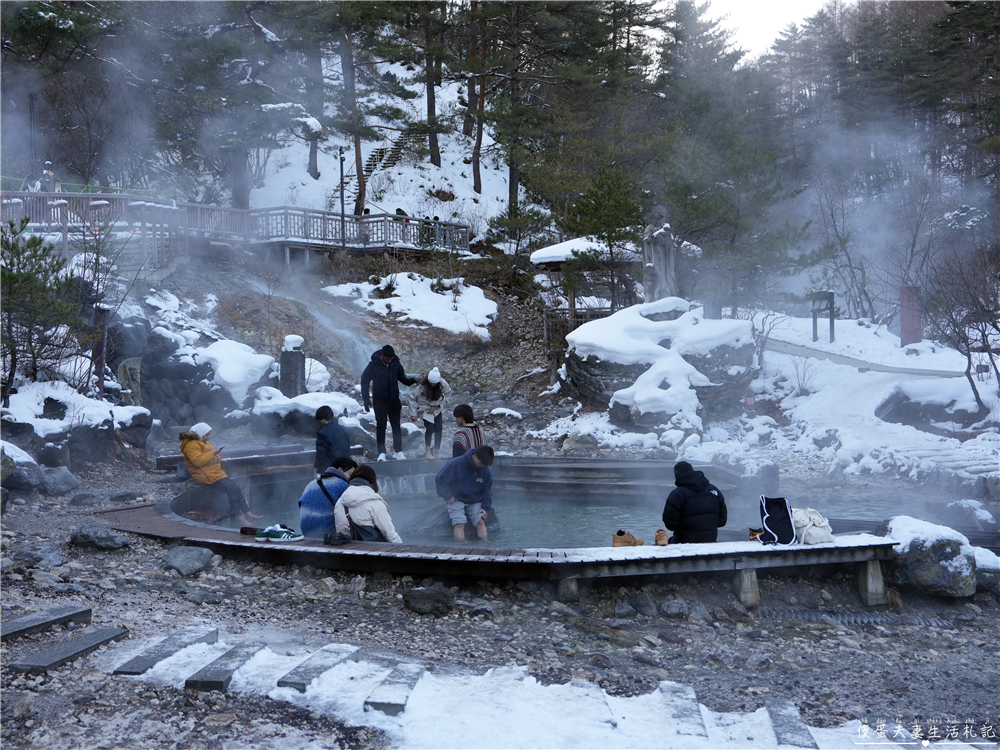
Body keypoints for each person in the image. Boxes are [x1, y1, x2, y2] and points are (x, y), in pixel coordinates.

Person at [179, 422, 262, 527]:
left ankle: (248, 514)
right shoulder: (191, 445)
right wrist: (212, 454)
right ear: (200, 433)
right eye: (207, 435)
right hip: (204, 475)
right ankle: (239, 518)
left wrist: (214, 455)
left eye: (209, 435)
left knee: (236, 488)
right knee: (231, 490)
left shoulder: (202, 442)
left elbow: (217, 458)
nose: (209, 437)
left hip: (213, 472)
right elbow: (198, 462)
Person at [361, 344, 416, 461]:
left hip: (394, 400)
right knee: (381, 426)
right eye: (387, 359)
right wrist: (366, 398)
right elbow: (364, 380)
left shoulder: (396, 363)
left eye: (391, 359)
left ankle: (398, 451)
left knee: (396, 426)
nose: (389, 361)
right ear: (382, 355)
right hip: (379, 401)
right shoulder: (373, 365)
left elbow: (402, 377)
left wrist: (410, 381)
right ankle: (381, 453)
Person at [435, 445, 494, 541]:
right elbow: (439, 479)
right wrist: (447, 496)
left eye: (485, 465)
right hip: (457, 499)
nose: (482, 466)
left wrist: (485, 508)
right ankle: (461, 547)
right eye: (481, 463)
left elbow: (487, 490)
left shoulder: (486, 470)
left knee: (480, 522)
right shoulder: (456, 463)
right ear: (475, 456)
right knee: (460, 523)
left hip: (475, 500)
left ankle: (485, 546)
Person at [333, 464, 402, 543]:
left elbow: (340, 530)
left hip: (347, 551)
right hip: (371, 551)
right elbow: (390, 534)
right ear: (372, 481)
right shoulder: (373, 501)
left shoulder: (340, 501)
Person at [662, 461, 727, 543]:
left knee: (666, 543)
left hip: (684, 541)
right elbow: (722, 521)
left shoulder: (677, 494)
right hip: (710, 540)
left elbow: (671, 525)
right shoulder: (714, 490)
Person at [298, 456, 358, 539]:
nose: (351, 479)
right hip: (327, 535)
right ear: (340, 470)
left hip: (307, 534)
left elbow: (300, 503)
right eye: (350, 474)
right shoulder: (342, 485)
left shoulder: (312, 483)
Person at [408, 367, 452, 459]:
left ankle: (437, 452)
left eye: (434, 383)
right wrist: (413, 413)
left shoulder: (443, 384)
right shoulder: (422, 386)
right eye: (431, 383)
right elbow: (412, 397)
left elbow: (448, 395)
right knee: (430, 428)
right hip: (425, 408)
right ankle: (428, 453)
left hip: (437, 408)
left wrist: (437, 406)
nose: (432, 385)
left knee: (439, 428)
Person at [314, 405, 350, 477]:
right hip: (344, 468)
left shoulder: (323, 433)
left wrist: (315, 469)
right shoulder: (343, 429)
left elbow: (321, 454)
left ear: (322, 418)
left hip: (328, 470)